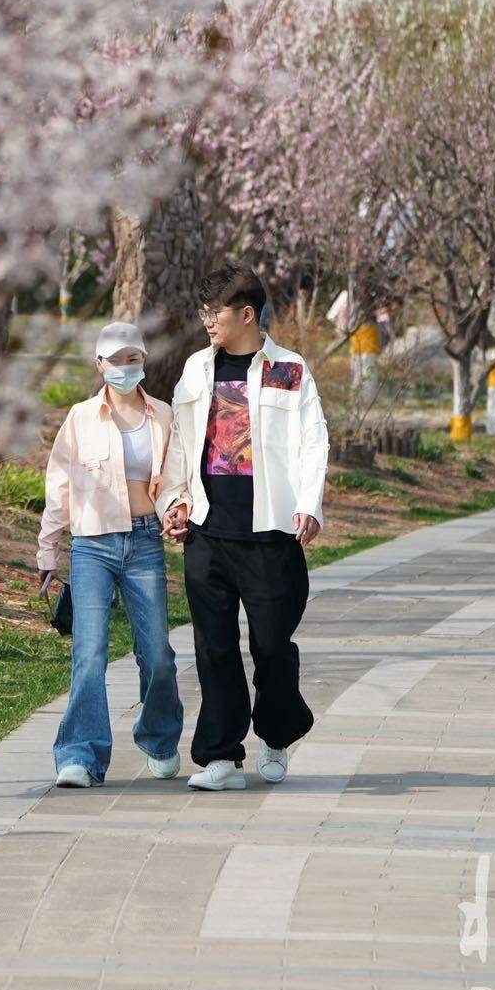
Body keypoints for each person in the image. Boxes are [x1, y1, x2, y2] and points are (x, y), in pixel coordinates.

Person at [158, 266, 327, 791]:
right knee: (214, 648)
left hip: (271, 534)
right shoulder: (195, 369)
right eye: (205, 311)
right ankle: (221, 758)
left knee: (273, 646)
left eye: (217, 312)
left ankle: (276, 736)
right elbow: (183, 442)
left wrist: (309, 504)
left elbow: (313, 441)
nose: (207, 320)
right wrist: (175, 500)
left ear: (246, 314)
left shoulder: (289, 368)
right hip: (208, 532)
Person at [36, 322, 185, 788]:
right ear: (98, 364)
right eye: (115, 360)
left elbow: (177, 476)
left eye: (132, 359)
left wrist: (178, 508)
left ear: (143, 361)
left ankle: (159, 739)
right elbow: (59, 484)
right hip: (92, 545)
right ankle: (78, 755)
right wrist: (48, 547)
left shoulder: (164, 415)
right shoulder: (80, 417)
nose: (124, 368)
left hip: (145, 542)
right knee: (90, 653)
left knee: (157, 653)